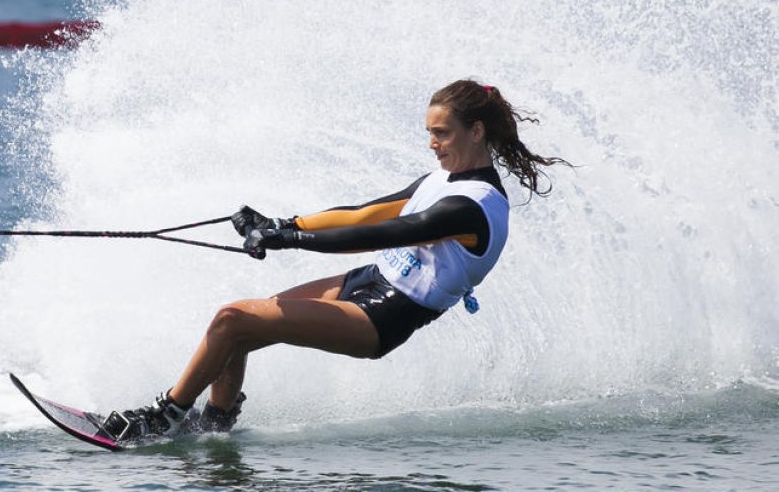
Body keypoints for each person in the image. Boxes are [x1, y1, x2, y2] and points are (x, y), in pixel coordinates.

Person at [101, 79, 572, 443]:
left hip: (386, 315)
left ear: (477, 130)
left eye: (442, 133)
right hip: (366, 280)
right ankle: (213, 429)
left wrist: (290, 239)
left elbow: (379, 232)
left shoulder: (473, 204)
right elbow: (364, 211)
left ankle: (160, 420)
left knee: (231, 319)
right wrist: (282, 220)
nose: (432, 143)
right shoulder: (440, 180)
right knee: (239, 330)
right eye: (429, 133)